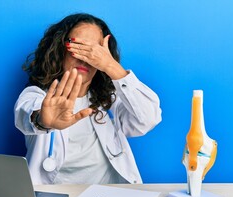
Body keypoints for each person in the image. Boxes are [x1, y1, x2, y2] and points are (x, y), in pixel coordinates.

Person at [14, 13, 162, 184]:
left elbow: (148, 118)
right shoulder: (37, 96)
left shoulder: (110, 98)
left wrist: (110, 66)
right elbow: (25, 114)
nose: (85, 57)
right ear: (60, 49)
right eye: (77, 46)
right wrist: (42, 120)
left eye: (94, 50)